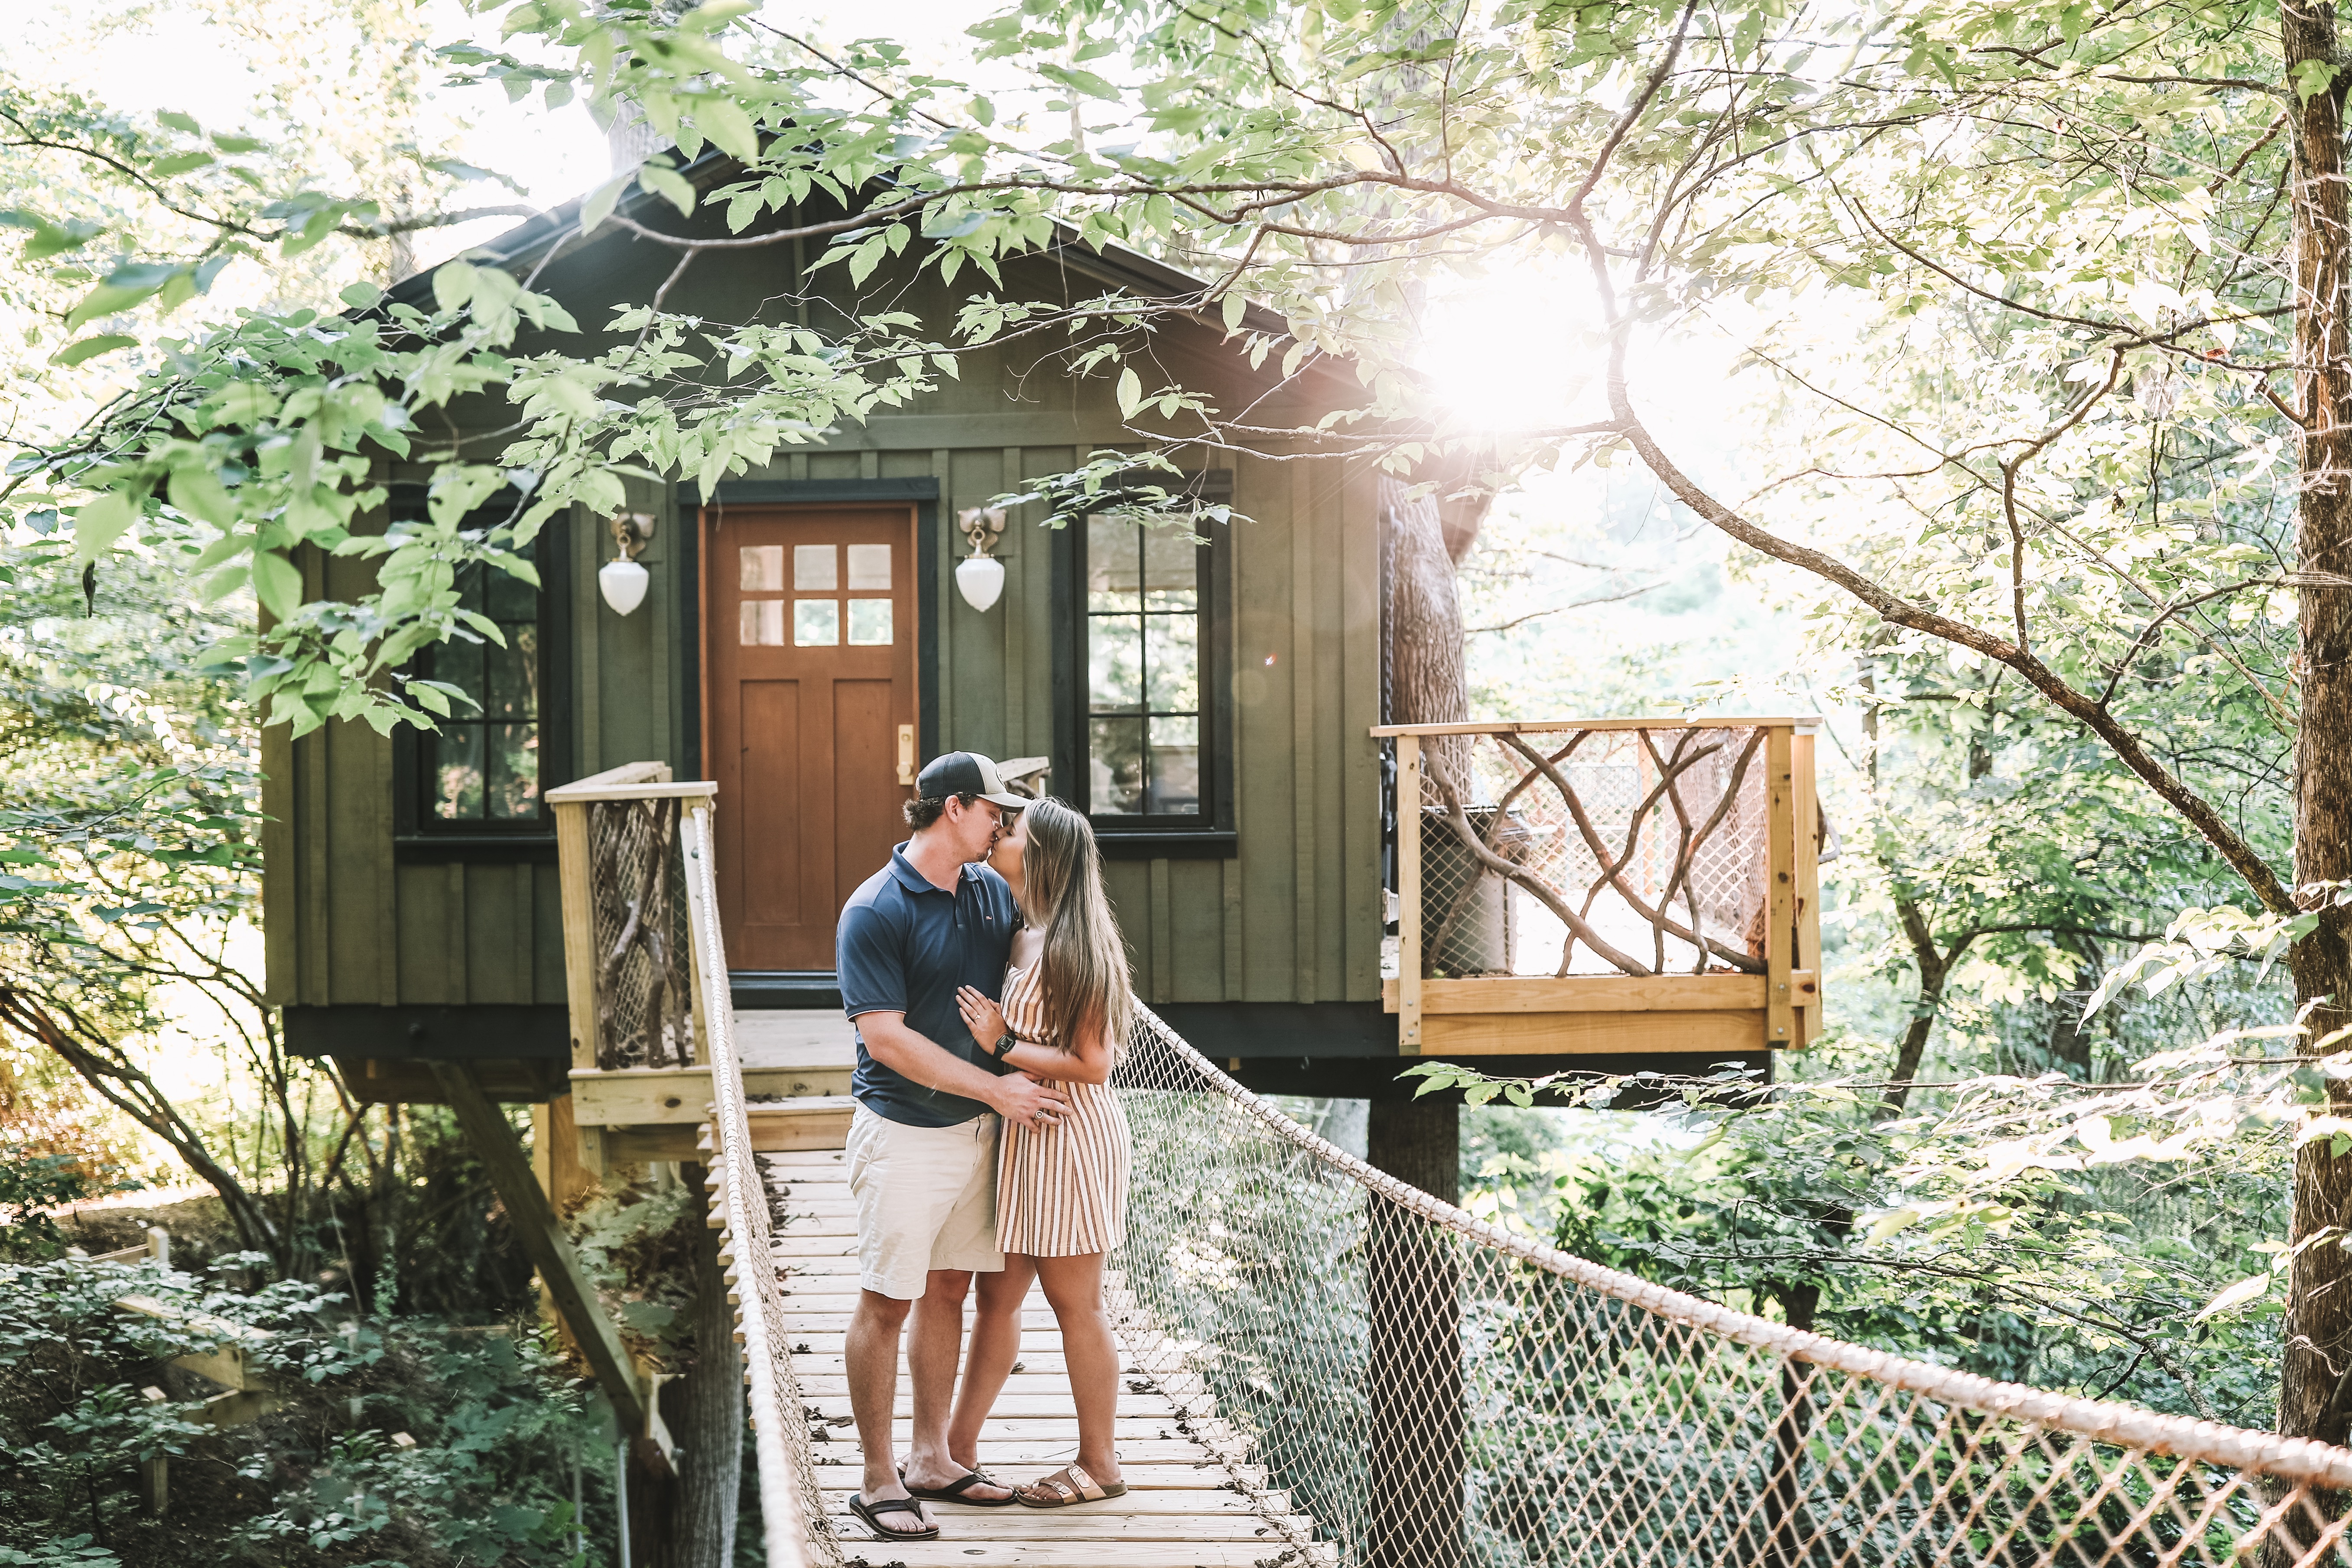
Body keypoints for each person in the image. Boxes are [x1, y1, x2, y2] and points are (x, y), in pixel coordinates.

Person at [835, 752, 1071, 1542]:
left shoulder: (989, 892)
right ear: (955, 808)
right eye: (994, 811)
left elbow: (1053, 949)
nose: (1004, 824)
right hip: (904, 1133)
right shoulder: (874, 908)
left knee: (948, 1293)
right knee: (887, 1300)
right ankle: (876, 1481)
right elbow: (886, 1039)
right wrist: (996, 1089)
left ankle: (931, 1459)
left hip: (979, 1132)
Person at [948, 795, 1136, 1509]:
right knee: (998, 1296)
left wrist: (1000, 1043)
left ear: (1041, 855)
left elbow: (1093, 1063)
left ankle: (1100, 1465)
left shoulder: (1075, 945)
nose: (1000, 834)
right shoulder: (1026, 932)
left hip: (1071, 1133)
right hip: (1028, 1136)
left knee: (1075, 1303)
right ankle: (956, 1450)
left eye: (1012, 830)